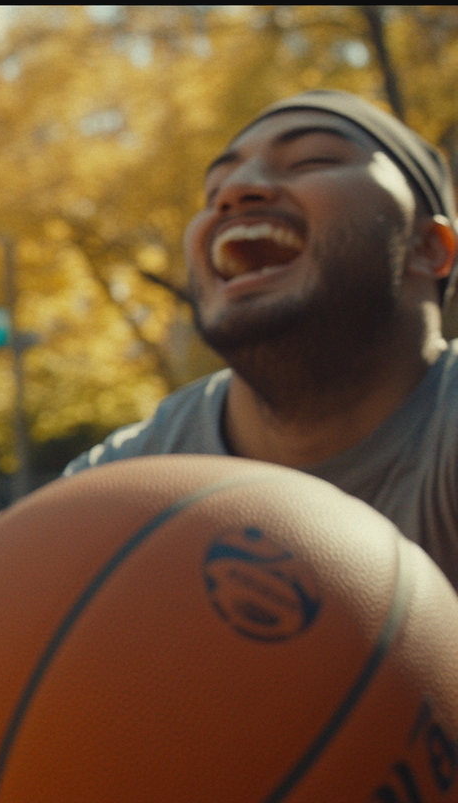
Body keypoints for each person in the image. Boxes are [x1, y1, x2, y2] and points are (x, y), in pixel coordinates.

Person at [66, 89, 458, 586]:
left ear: (427, 248)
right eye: (214, 190)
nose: (237, 190)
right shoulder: (119, 485)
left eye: (311, 159)